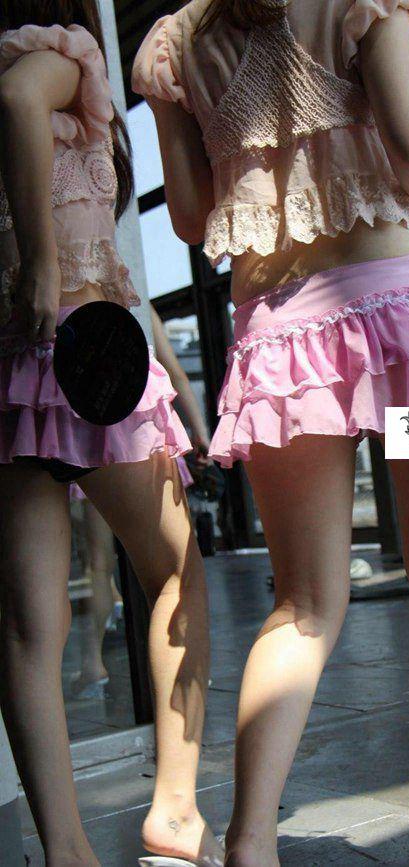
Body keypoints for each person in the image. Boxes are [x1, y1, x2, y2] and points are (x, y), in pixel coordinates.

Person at [133, 2, 409, 866]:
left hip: (279, 333)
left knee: (305, 604)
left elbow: (193, 216)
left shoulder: (175, 42)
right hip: (401, 300)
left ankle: (250, 839)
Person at [0, 2, 223, 865]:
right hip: (87, 358)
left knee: (30, 622)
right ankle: (175, 810)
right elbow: (22, 94)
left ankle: (66, 848)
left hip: (15, 371)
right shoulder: (58, 53)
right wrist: (44, 264)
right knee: (174, 572)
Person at [69, 307, 212, 700]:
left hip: (76, 431)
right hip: (129, 434)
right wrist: (201, 435)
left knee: (98, 565)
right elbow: (176, 373)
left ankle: (93, 662)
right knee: (172, 573)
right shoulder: (133, 301)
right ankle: (185, 664)